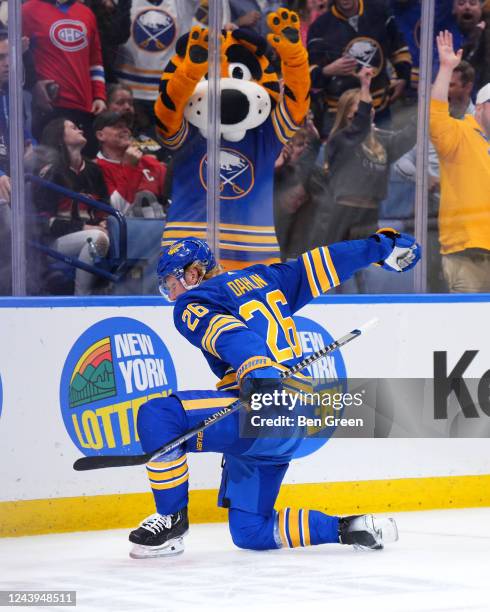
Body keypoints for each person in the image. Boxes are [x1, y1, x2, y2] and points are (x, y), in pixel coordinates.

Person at [128, 232, 420, 558]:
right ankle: (350, 527)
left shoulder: (192, 303)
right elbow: (326, 261)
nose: (171, 293)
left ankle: (171, 521)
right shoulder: (266, 277)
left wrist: (257, 369)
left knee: (159, 415)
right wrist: (382, 246)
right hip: (295, 416)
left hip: (264, 407)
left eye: (171, 283)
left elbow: (230, 334)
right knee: (250, 531)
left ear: (192, 274)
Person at [325, 68, 416, 246]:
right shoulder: (340, 140)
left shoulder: (382, 141)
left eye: (367, 110)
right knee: (336, 268)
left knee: (366, 269)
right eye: (357, 114)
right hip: (343, 213)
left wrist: (429, 106)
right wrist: (365, 86)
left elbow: (409, 136)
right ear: (347, 116)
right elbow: (358, 128)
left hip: (370, 215)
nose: (364, 116)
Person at [430, 30, 490, 292]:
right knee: (467, 328)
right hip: (467, 252)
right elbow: (436, 114)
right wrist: (445, 68)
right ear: (481, 107)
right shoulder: (459, 133)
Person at [307, 0, 412, 136]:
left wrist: (403, 77)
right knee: (339, 156)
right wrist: (327, 71)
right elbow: (309, 73)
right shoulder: (319, 27)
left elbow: (398, 48)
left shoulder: (380, 12)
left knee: (381, 155)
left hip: (378, 107)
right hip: (339, 112)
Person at [22, 0, 107, 156]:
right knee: (52, 168)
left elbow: (95, 60)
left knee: (82, 168)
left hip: (84, 107)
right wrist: (33, 85)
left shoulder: (86, 13)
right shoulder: (28, 10)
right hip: (49, 107)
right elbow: (18, 54)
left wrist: (99, 95)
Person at [36, 118, 111, 295]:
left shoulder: (94, 170)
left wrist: (104, 222)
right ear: (59, 137)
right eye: (73, 127)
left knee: (106, 235)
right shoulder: (50, 172)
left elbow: (104, 207)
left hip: (93, 234)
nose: (80, 130)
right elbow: (41, 221)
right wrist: (83, 227)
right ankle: (81, 298)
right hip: (53, 242)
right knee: (97, 238)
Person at [94, 111, 167, 217]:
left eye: (126, 127)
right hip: (125, 231)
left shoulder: (149, 162)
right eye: (118, 127)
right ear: (100, 135)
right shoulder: (95, 169)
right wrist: (130, 168)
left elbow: (175, 197)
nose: (126, 130)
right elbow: (116, 212)